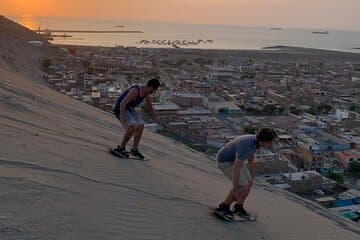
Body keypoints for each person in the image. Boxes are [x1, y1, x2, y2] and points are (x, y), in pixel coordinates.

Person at [215, 128, 277, 220]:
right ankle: (224, 206)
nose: (271, 145)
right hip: (225, 161)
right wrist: (236, 189)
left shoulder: (255, 142)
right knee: (242, 185)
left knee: (250, 182)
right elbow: (236, 168)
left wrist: (251, 172)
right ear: (263, 141)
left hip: (234, 160)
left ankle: (238, 207)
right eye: (270, 142)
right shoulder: (246, 145)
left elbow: (251, 156)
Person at [113, 78, 160, 159]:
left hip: (130, 109)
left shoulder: (145, 93)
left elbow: (149, 105)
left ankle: (134, 150)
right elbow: (122, 103)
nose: (154, 92)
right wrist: (123, 120)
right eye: (154, 89)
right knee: (132, 125)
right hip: (121, 109)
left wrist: (154, 115)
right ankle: (121, 148)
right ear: (151, 86)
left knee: (141, 125)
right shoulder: (135, 91)